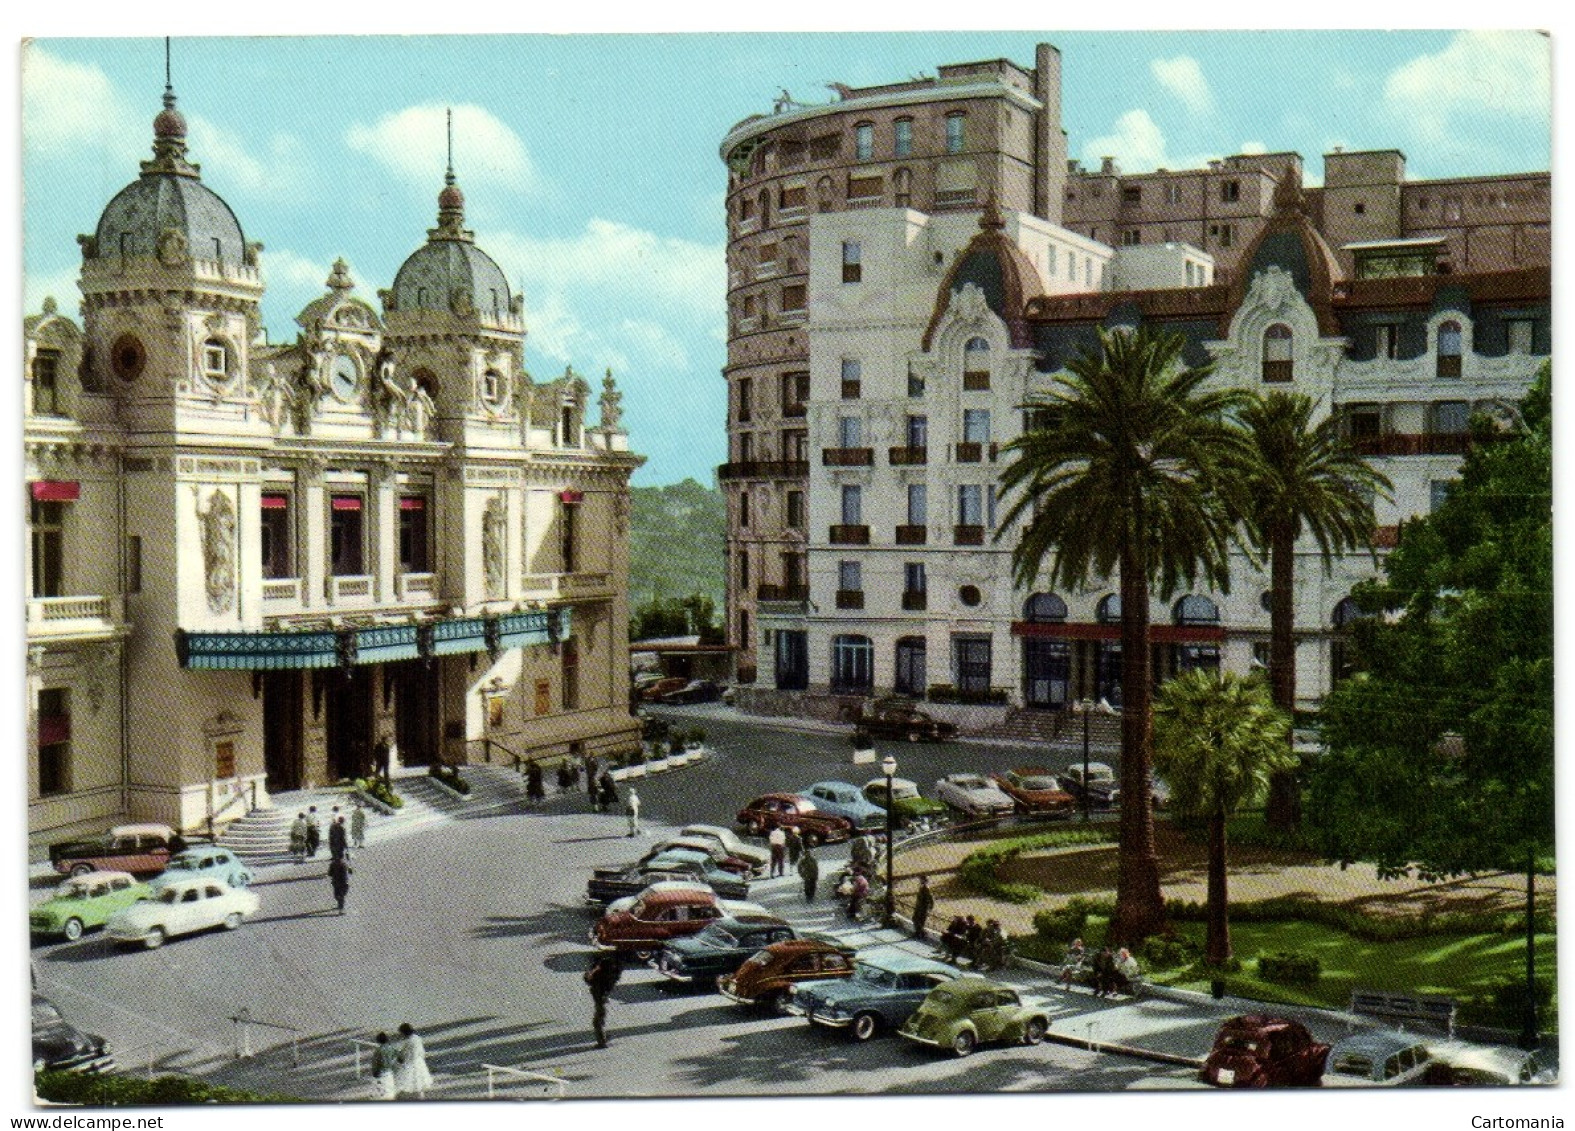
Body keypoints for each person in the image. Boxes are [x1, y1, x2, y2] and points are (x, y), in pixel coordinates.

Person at [584, 953, 622, 1049]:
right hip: (601, 998)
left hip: (600, 999)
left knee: (597, 1022)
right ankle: (603, 1039)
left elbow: (588, 979)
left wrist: (594, 970)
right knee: (600, 1020)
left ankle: (602, 1042)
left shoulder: (600, 978)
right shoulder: (610, 976)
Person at [392, 1021, 432, 1098]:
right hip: (419, 1062)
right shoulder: (417, 1038)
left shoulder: (407, 1041)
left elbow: (404, 1054)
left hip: (409, 1063)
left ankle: (397, 1095)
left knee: (402, 1079)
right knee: (419, 1079)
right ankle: (421, 1095)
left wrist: (399, 1056)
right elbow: (421, 1051)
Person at [369, 1031, 396, 1100]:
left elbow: (375, 1062)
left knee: (379, 1091)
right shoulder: (392, 1048)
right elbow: (399, 1057)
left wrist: (374, 1072)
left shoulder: (378, 1050)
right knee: (390, 1091)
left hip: (381, 1072)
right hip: (389, 1072)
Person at [911, 875, 934, 941]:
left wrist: (930, 907)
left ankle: (923, 934)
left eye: (921, 880)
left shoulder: (926, 888)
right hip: (918, 907)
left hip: (923, 908)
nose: (920, 881)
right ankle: (918, 932)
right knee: (915, 919)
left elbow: (931, 898)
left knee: (920, 921)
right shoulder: (921, 887)